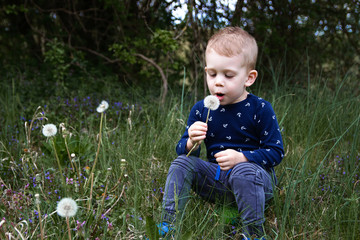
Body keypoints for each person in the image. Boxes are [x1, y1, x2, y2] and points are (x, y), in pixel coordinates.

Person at [159, 27, 284, 239]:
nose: (218, 81)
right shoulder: (201, 109)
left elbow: (276, 152)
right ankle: (167, 226)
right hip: (217, 180)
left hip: (256, 182)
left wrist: (242, 158)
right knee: (180, 163)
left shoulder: (260, 108)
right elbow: (183, 152)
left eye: (228, 75)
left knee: (244, 172)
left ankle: (253, 233)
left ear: (249, 78)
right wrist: (191, 141)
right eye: (212, 74)